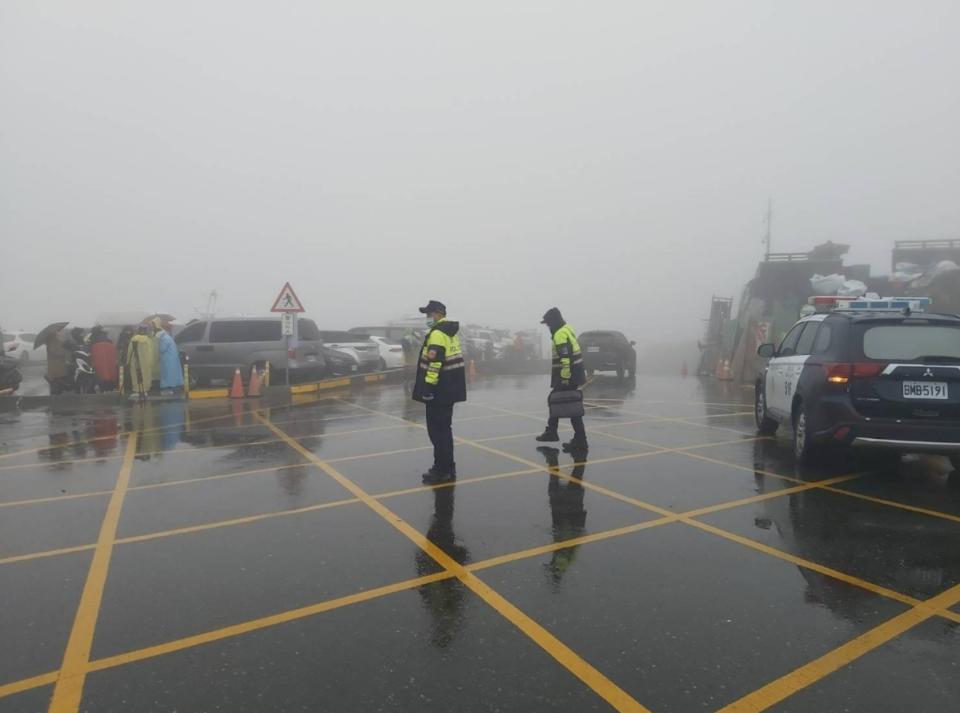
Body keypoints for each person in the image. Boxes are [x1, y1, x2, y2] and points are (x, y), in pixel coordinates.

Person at [412, 300, 466, 484]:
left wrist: (428, 387)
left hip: (438, 390)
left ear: (438, 313)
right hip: (450, 388)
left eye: (429, 314)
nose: (427, 318)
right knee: (445, 430)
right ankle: (447, 467)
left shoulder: (436, 334)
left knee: (437, 432)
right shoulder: (450, 333)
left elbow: (435, 364)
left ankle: (441, 470)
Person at [536, 307, 588, 452]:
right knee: (570, 406)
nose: (548, 326)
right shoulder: (567, 330)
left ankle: (553, 433)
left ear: (553, 322)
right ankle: (578, 439)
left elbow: (565, 358)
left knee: (556, 400)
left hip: (568, 375)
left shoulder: (559, 335)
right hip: (575, 373)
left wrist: (565, 378)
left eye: (548, 323)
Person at [155, 320, 184, 395]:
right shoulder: (167, 337)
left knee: (168, 373)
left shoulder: (164, 339)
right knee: (173, 373)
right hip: (171, 358)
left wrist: (158, 346)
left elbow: (162, 349)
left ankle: (169, 387)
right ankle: (174, 387)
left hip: (168, 359)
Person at [126, 324, 154, 398]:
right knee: (146, 376)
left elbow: (129, 351)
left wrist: (128, 361)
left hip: (135, 361)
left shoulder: (134, 339)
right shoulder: (149, 340)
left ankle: (137, 390)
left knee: (135, 375)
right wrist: (151, 362)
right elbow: (152, 352)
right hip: (146, 362)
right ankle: (145, 390)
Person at [89, 326, 118, 392]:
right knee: (110, 375)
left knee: (101, 375)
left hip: (99, 363)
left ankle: (103, 391)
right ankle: (110, 390)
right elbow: (114, 354)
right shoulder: (110, 343)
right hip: (110, 363)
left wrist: (92, 363)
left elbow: (92, 356)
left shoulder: (94, 343)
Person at [44, 327, 68, 395]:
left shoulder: (53, 341)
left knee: (55, 383)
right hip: (56, 366)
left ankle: (55, 397)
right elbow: (55, 352)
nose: (58, 333)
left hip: (55, 366)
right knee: (55, 384)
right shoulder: (52, 342)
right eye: (57, 332)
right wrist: (63, 353)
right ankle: (55, 399)